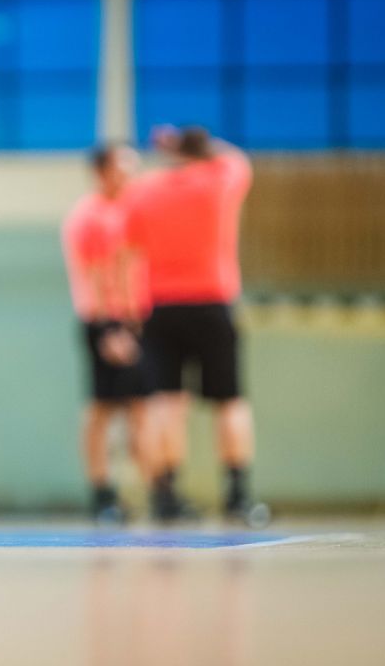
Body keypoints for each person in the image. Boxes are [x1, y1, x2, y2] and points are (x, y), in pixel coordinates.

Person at [119, 125, 269, 526]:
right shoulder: (220, 177)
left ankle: (165, 496)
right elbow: (236, 155)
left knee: (166, 404)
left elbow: (128, 249)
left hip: (160, 306)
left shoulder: (144, 189)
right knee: (230, 402)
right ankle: (238, 496)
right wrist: (185, 143)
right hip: (211, 302)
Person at [61, 143, 155, 525]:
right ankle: (102, 493)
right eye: (124, 167)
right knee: (102, 409)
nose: (132, 174)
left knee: (141, 409)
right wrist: (108, 330)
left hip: (135, 320)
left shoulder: (130, 211)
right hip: (107, 321)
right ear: (102, 172)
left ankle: (152, 491)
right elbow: (98, 276)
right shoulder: (90, 216)